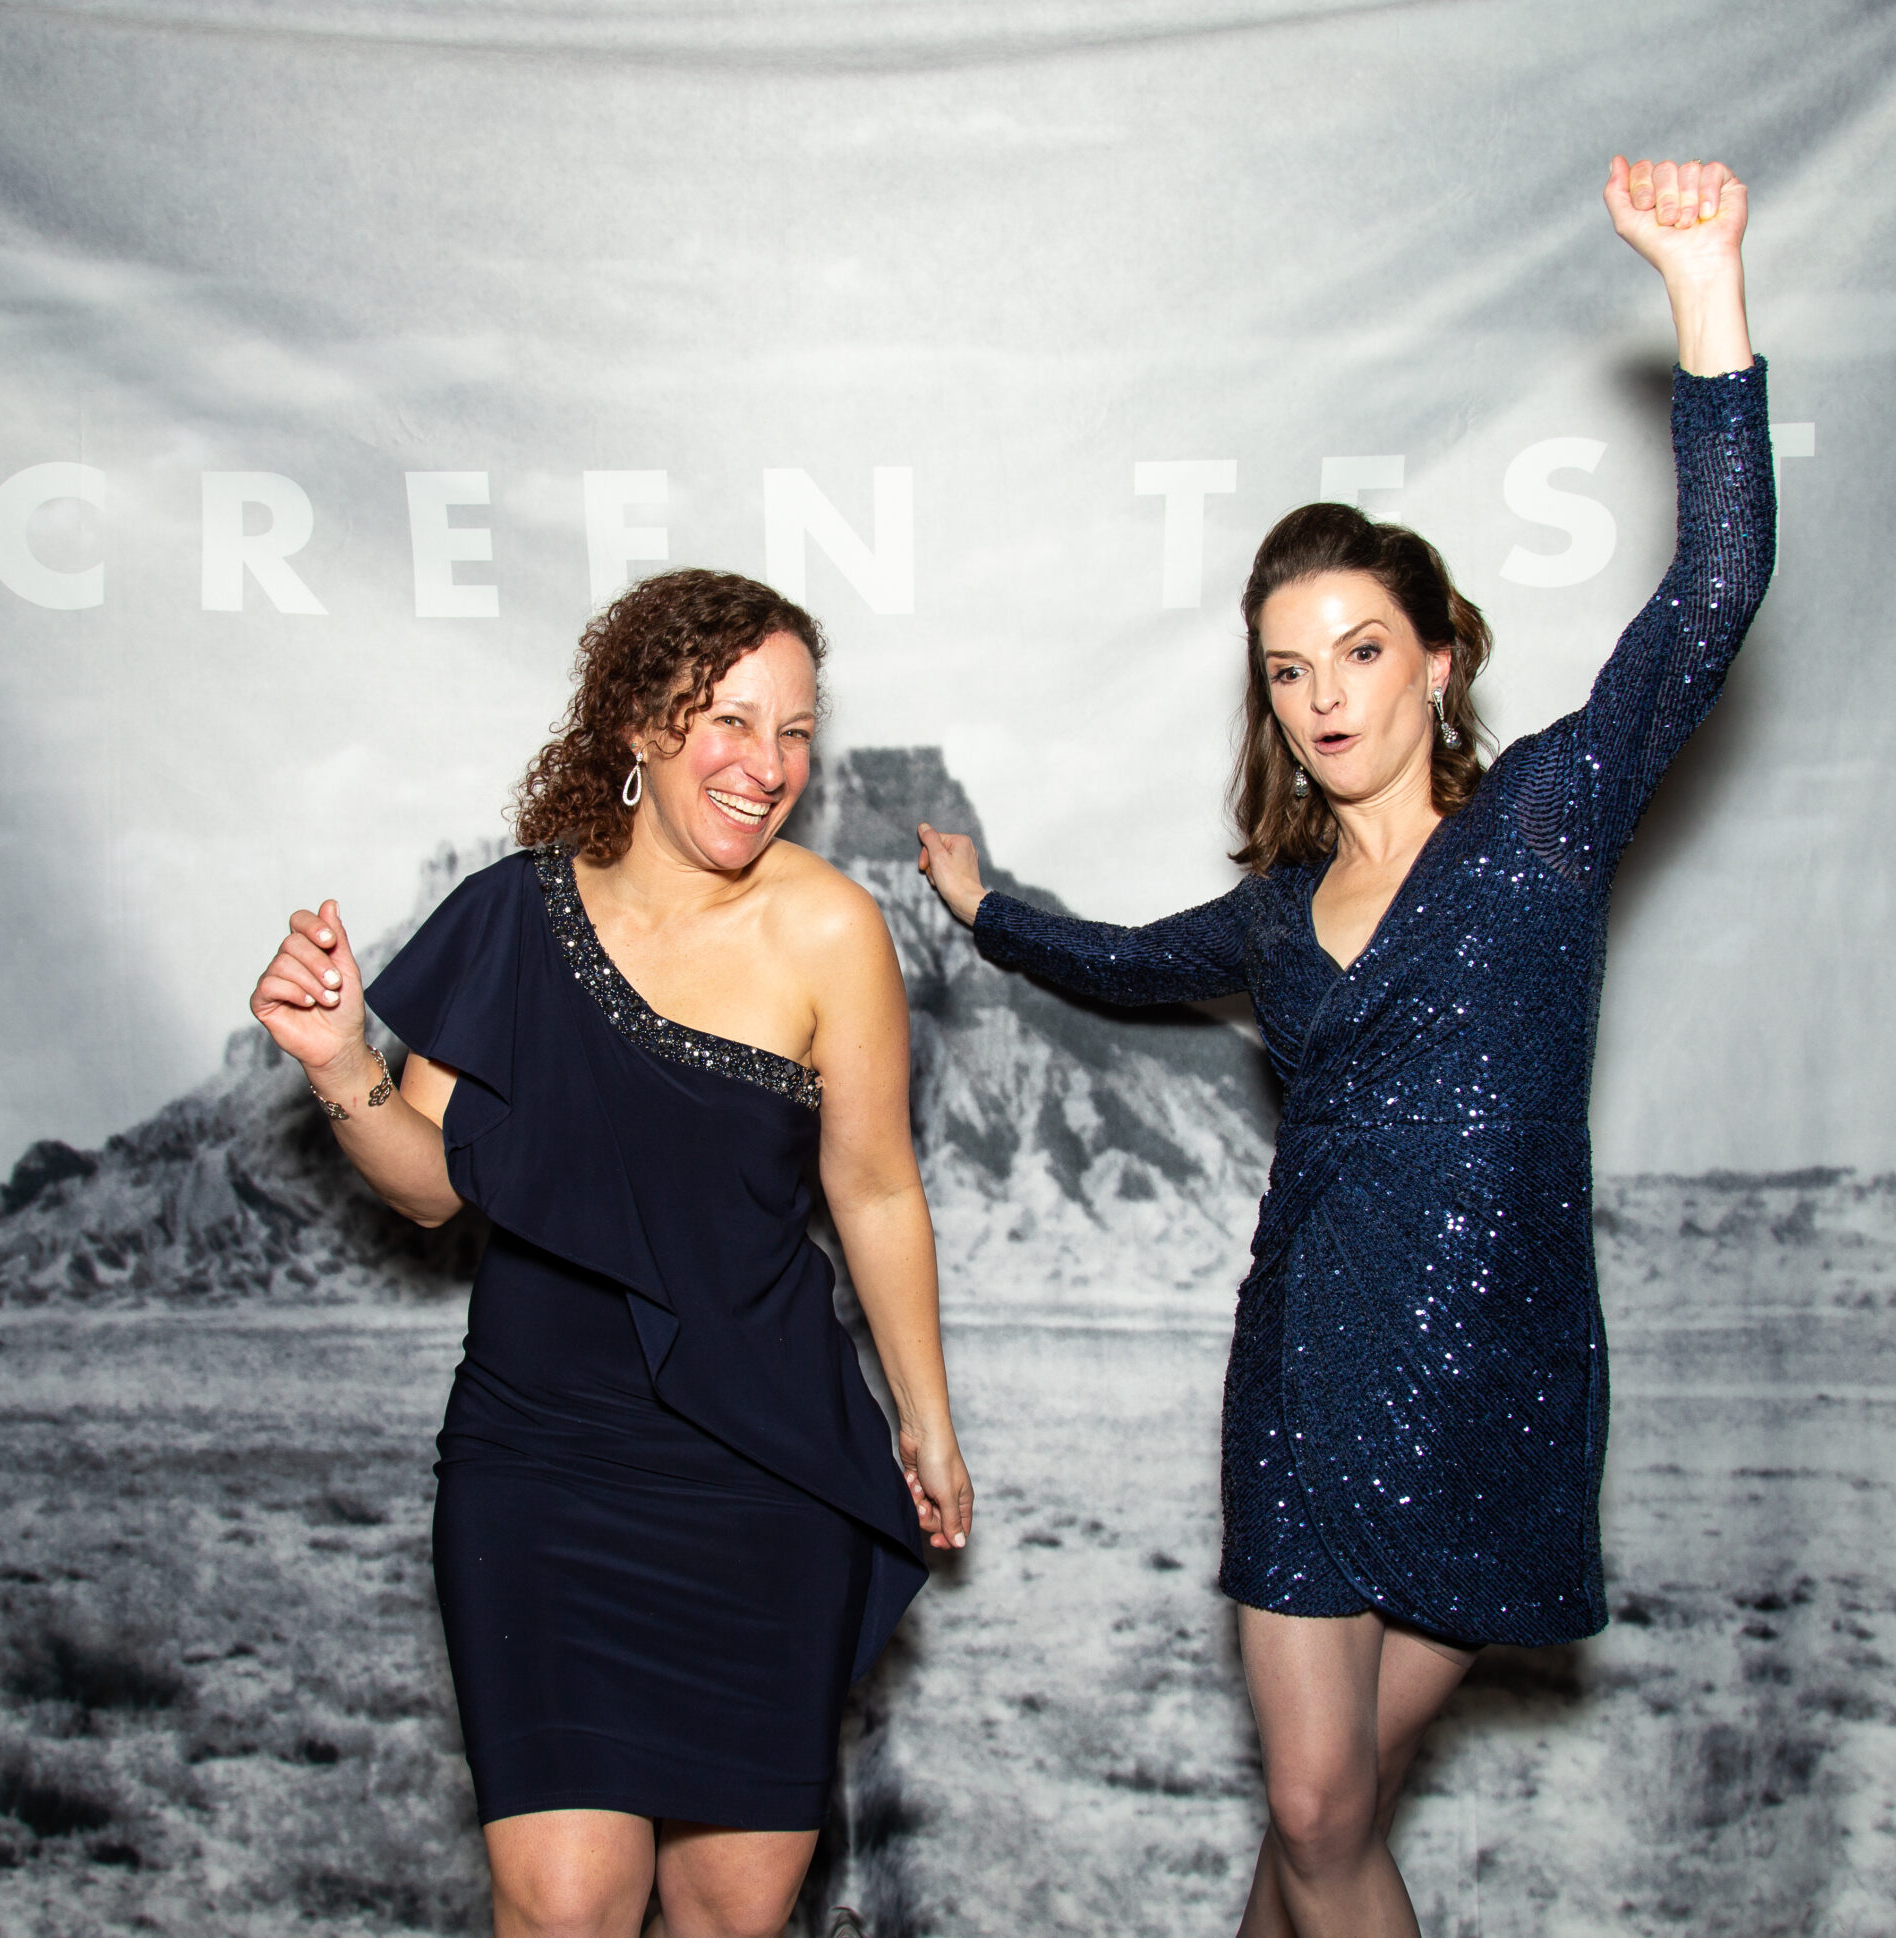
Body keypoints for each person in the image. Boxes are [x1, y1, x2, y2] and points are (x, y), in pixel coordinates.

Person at [915, 157, 1773, 1938]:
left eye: (1360, 652)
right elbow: (1122, 960)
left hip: (1493, 1386)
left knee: (1329, 1814)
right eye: (1289, 670)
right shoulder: (1274, 913)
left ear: (1439, 660)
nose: (1323, 698)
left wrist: (1704, 290)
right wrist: (987, 906)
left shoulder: (1541, 828)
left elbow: (1713, 592)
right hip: (1305, 1372)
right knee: (1318, 1803)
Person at [250, 569, 968, 1938]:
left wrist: (926, 1420)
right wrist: (343, 1067)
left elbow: (876, 1188)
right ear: (640, 722)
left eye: (795, 732)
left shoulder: (830, 928)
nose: (768, 765)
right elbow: (429, 1187)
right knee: (564, 1903)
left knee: (730, 1914)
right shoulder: (512, 917)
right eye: (730, 721)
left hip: (768, 1479)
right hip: (541, 1465)